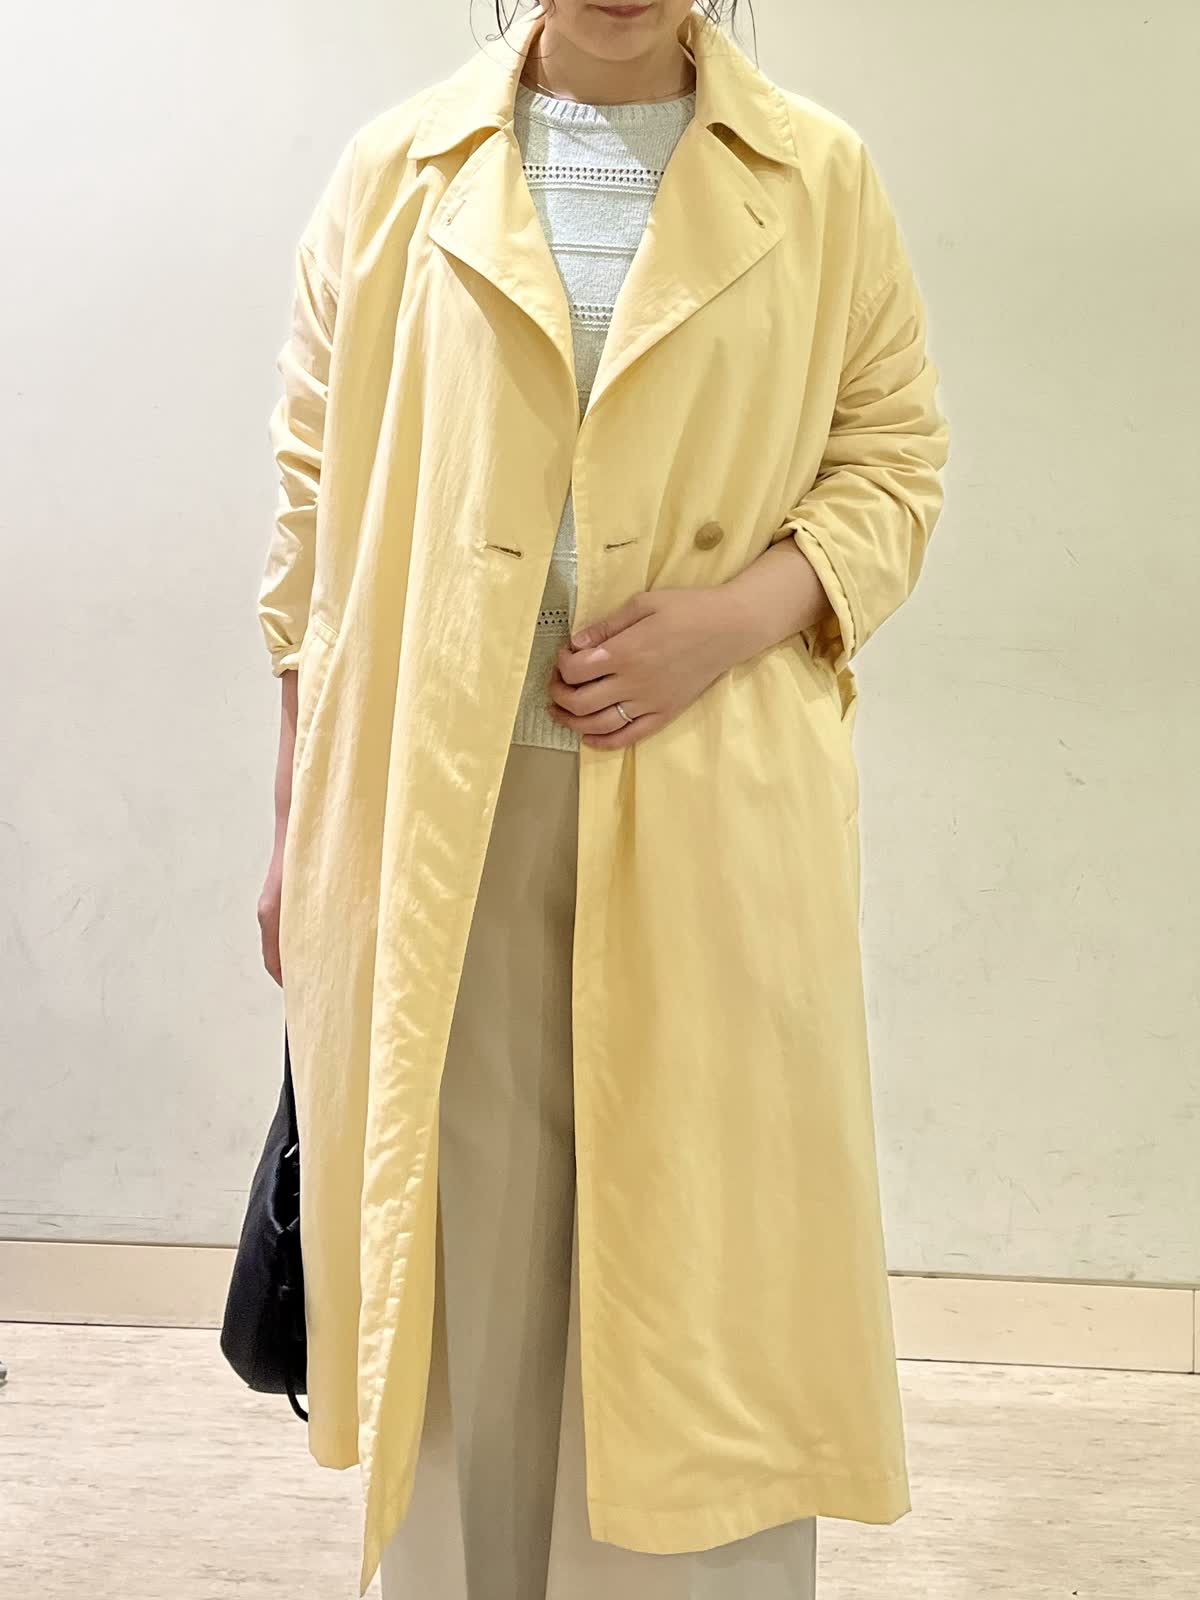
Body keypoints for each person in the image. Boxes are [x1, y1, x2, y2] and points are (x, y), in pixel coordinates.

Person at [255, 3, 949, 1596]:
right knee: (466, 1271)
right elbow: (307, 512)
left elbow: (895, 460)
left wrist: (739, 617)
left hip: (712, 805)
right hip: (439, 816)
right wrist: (293, 826)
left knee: (698, 1269)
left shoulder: (820, 176)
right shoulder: (394, 171)